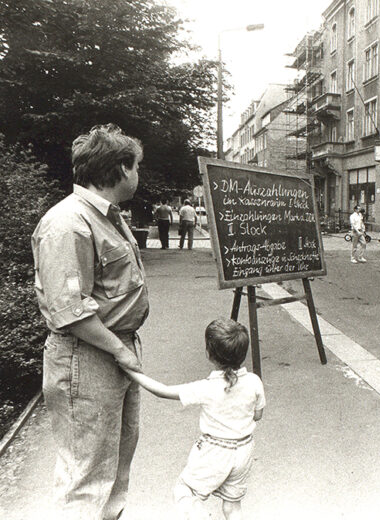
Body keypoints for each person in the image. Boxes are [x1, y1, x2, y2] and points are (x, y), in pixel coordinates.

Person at [31, 124, 148, 519]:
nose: (138, 175)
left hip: (112, 352)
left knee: (115, 466)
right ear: (119, 168)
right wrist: (119, 350)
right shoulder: (68, 223)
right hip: (88, 356)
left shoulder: (107, 216)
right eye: (137, 166)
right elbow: (70, 311)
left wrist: (123, 350)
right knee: (86, 479)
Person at [123, 318, 265, 520]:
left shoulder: (207, 387)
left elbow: (163, 391)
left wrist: (130, 371)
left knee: (185, 491)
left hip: (215, 450)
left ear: (209, 354)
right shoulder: (254, 381)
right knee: (232, 506)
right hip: (244, 450)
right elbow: (257, 416)